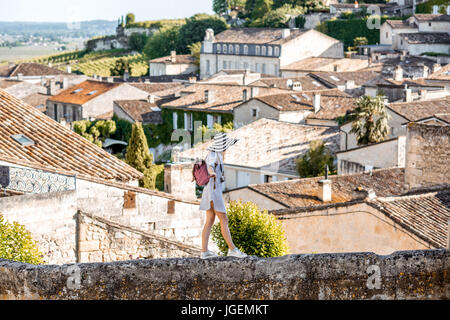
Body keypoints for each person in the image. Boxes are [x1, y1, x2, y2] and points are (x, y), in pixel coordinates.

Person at [199, 132, 247, 259]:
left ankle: (204, 251)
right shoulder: (215, 155)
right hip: (213, 192)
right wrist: (212, 173)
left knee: (209, 220)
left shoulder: (213, 154)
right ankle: (232, 249)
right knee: (224, 220)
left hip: (209, 191)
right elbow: (209, 166)